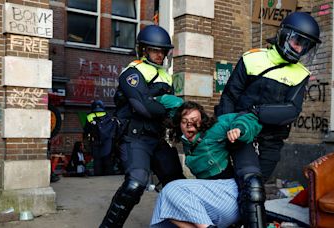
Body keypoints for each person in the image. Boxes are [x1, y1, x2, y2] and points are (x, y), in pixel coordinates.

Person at [214, 12, 321, 227]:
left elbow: (291, 110)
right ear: (283, 35)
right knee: (251, 187)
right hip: (242, 135)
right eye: (297, 41)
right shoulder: (252, 58)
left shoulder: (301, 74)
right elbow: (230, 97)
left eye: (305, 45)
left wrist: (255, 112)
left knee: (252, 193)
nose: (299, 48)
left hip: (272, 142)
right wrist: (227, 127)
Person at [100, 25, 185, 228]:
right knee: (135, 183)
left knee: (179, 185)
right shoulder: (132, 72)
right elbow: (144, 107)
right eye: (154, 49)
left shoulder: (166, 75)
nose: (159, 54)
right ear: (144, 49)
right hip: (134, 138)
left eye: (162, 50)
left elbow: (167, 112)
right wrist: (166, 103)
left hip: (157, 137)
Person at [150, 101, 262, 227]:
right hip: (211, 197)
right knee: (163, 210)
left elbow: (248, 117)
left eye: (194, 119)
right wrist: (148, 96)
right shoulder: (187, 142)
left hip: (229, 194)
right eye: (184, 121)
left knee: (171, 190)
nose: (189, 124)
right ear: (179, 124)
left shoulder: (214, 129)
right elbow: (171, 104)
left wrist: (239, 128)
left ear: (202, 121)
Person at [83, 100, 115, 176]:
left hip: (95, 140)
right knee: (107, 157)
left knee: (97, 159)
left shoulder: (89, 116)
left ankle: (98, 173)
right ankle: (108, 173)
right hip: (107, 140)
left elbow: (86, 129)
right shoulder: (109, 116)